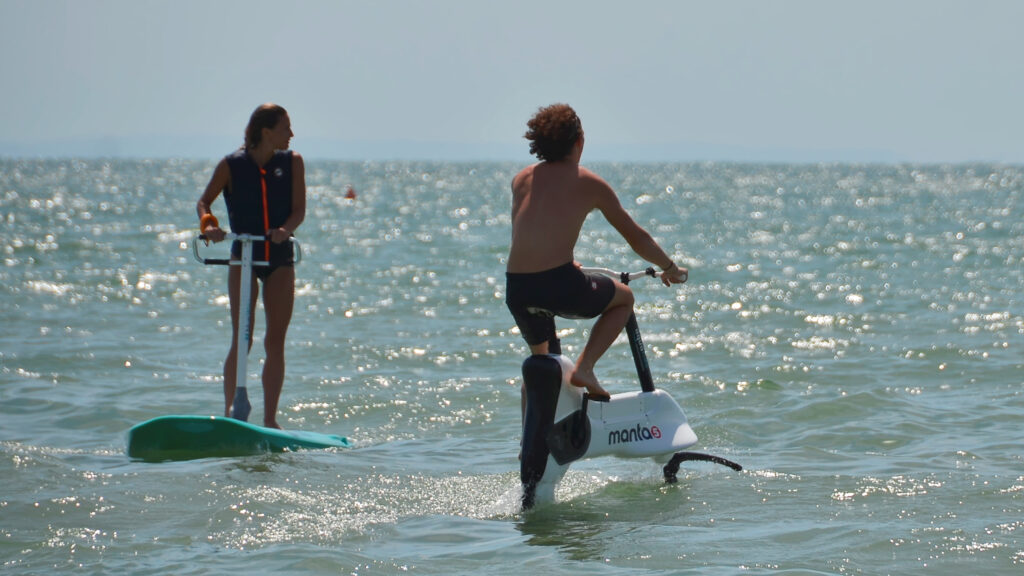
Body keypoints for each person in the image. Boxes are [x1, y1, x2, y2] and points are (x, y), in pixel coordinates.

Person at [506, 103, 688, 401]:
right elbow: (636, 237)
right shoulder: (589, 183)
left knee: (543, 364)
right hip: (556, 283)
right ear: (579, 142)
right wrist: (669, 266)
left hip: (518, 287)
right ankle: (585, 368)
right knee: (624, 299)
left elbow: (524, 234)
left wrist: (562, 262)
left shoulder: (522, 179)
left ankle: (531, 440)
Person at [196, 103, 306, 429]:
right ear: (266, 132)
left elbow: (299, 210)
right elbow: (205, 202)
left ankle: (270, 420)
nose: (291, 133)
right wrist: (209, 225)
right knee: (241, 338)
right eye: (286, 127)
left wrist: (285, 231)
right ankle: (232, 413)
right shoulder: (231, 165)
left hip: (280, 260)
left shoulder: (293, 162)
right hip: (243, 255)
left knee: (275, 341)